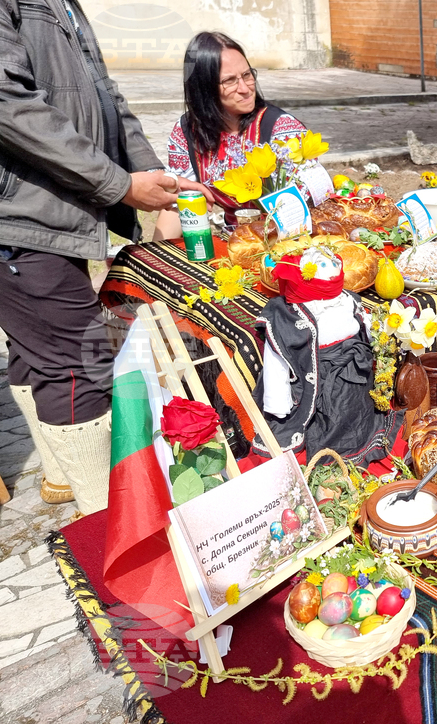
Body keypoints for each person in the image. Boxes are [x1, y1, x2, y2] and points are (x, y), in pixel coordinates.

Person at [0, 0, 210, 514]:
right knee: (77, 366)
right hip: (21, 214)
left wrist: (145, 172)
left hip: (55, 205)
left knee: (35, 351)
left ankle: (58, 474)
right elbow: (9, 105)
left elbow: (105, 95)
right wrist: (118, 185)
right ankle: (109, 523)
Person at [253, 248, 401, 465]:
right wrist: (277, 404)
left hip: (354, 372)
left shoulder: (347, 299)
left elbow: (364, 323)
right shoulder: (286, 317)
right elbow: (276, 363)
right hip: (317, 377)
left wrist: (381, 334)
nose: (333, 269)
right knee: (330, 418)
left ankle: (360, 432)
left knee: (357, 409)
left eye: (334, 263)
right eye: (323, 266)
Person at [154, 32, 310, 237]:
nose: (245, 89)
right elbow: (180, 203)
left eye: (247, 75)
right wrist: (154, 257)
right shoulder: (187, 132)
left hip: (289, 238)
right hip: (234, 241)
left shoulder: (282, 129)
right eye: (230, 81)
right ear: (204, 87)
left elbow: (306, 208)